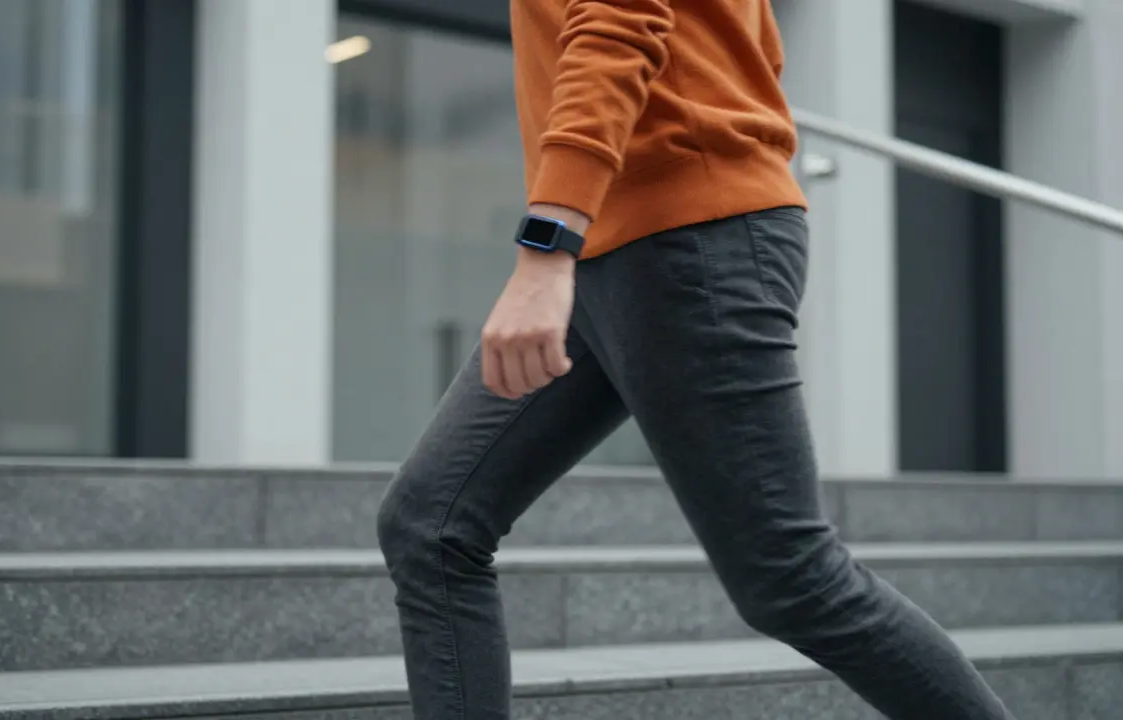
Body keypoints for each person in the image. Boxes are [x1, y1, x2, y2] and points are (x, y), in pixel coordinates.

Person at [376, 1, 1013, 718]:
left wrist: (548, 241)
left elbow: (618, 21)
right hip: (622, 245)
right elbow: (750, 48)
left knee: (792, 579)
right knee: (430, 523)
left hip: (685, 237)